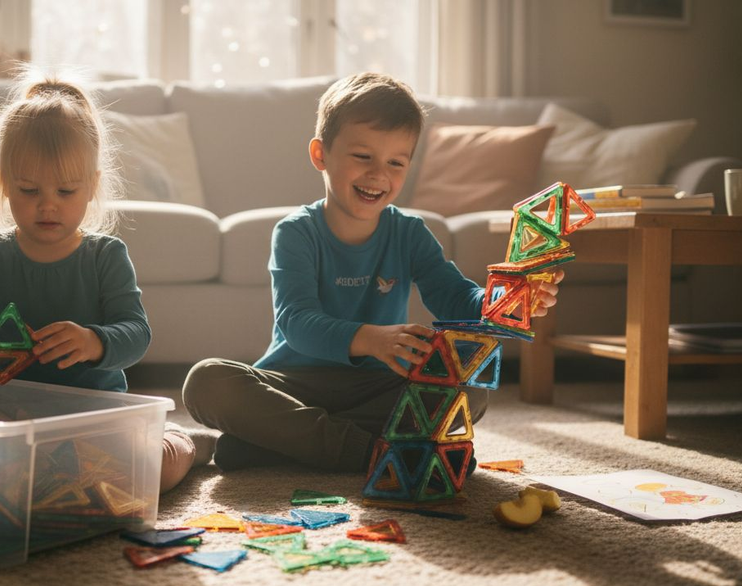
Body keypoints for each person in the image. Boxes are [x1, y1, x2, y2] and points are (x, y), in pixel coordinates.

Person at [182, 72, 563, 472]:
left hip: (376, 387)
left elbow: (456, 297)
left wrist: (505, 303)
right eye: (363, 157)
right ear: (320, 155)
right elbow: (296, 321)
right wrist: (371, 339)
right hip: (294, 382)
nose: (378, 174)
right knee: (207, 380)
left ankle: (274, 445)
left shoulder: (410, 233)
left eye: (396, 162)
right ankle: (365, 454)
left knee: (471, 392)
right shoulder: (296, 232)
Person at [0, 68, 212, 492]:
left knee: (145, 471)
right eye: (29, 191)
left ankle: (181, 440)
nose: (47, 206)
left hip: (89, 422)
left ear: (92, 187)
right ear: (4, 184)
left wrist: (94, 342)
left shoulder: (105, 256)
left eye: (66, 192)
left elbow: (137, 334)